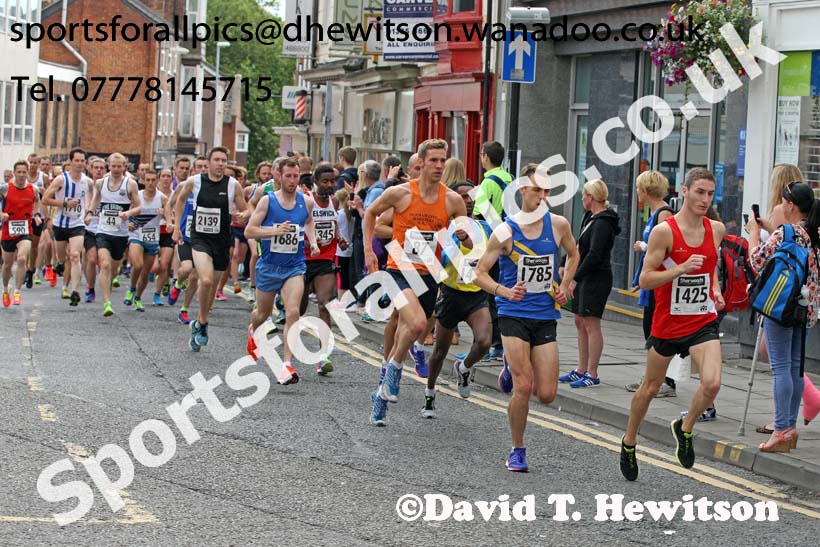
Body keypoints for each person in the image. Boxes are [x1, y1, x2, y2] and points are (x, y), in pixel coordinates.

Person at [620, 167, 726, 481]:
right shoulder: (664, 232)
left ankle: (685, 426)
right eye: (700, 192)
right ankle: (629, 441)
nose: (705, 199)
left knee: (712, 383)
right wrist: (680, 269)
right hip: (668, 323)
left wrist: (715, 288)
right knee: (651, 388)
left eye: (710, 194)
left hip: (702, 319)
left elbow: (711, 265)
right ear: (684, 191)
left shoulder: (716, 229)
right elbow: (645, 279)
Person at [473, 166, 579, 471]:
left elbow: (574, 254)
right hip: (513, 314)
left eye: (547, 191)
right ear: (522, 190)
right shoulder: (505, 232)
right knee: (523, 386)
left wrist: (566, 285)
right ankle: (517, 449)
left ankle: (510, 365)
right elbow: (479, 273)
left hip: (545, 315)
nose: (542, 196)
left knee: (546, 394)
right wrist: (504, 291)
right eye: (536, 190)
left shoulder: (558, 225)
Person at [363, 139, 466, 426]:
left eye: (442, 160)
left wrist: (464, 238)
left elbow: (464, 238)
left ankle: (382, 393)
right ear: (420, 163)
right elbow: (370, 214)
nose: (439, 165)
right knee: (418, 324)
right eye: (433, 160)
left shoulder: (452, 200)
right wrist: (369, 251)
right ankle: (394, 372)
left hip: (430, 272)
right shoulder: (401, 193)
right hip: (399, 268)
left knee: (410, 328)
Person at [748, 182, 820, 452]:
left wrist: (753, 233)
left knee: (780, 369)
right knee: (795, 368)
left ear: (790, 205)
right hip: (806, 309)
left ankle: (780, 429)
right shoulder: (815, 233)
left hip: (781, 307)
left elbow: (757, 261)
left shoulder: (787, 232)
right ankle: (789, 428)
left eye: (782, 202)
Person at [245, 158, 320, 383]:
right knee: (263, 314)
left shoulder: (306, 201)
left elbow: (309, 222)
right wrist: (273, 232)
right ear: (279, 176)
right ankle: (253, 329)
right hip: (268, 266)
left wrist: (313, 242)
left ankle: (286, 365)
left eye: (296, 176)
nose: (292, 180)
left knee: (293, 312)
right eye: (288, 176)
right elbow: (249, 231)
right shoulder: (267, 201)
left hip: (294, 266)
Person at [423, 180, 493, 417]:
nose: (468, 201)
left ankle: (464, 368)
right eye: (462, 197)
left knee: (484, 342)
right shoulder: (444, 230)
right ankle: (429, 394)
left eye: (471, 196)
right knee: (440, 351)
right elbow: (437, 262)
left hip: (476, 296)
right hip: (451, 295)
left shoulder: (485, 228)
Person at [172, 147, 248, 351]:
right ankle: (204, 323)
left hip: (221, 241)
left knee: (211, 289)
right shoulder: (195, 181)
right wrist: (177, 228)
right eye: (217, 160)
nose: (221, 163)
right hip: (200, 239)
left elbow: (245, 209)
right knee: (205, 280)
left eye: (224, 160)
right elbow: (180, 200)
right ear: (209, 162)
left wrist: (244, 215)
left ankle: (199, 322)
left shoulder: (233, 185)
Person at [559, 179, 621, 388]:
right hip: (585, 275)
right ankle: (581, 369)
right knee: (579, 320)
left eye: (584, 195)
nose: (582, 199)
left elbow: (594, 255)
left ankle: (592, 373)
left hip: (597, 278)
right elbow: (578, 245)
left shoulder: (603, 223)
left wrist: (574, 279)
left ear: (591, 197)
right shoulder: (590, 217)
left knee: (591, 323)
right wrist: (564, 262)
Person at [625, 171, 677, 397]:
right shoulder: (655, 213)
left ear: (645, 191)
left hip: (660, 285)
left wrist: (644, 247)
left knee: (657, 332)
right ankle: (654, 378)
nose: (637, 192)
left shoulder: (664, 213)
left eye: (639, 188)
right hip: (651, 283)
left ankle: (662, 381)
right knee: (650, 331)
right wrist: (640, 279)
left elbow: (667, 247)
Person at [85, 153, 141, 317]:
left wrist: (128, 213)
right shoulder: (101, 183)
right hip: (103, 231)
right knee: (104, 264)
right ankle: (107, 303)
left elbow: (139, 207)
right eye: (113, 166)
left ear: (124, 167)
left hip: (121, 234)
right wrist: (90, 213)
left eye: (119, 166)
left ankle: (109, 283)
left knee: (114, 268)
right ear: (109, 166)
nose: (116, 169)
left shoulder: (130, 184)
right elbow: (96, 200)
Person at [299, 164, 340, 374]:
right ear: (315, 182)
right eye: (325, 181)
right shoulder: (306, 201)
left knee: (326, 304)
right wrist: (307, 242)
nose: (330, 185)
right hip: (303, 260)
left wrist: (339, 238)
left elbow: (334, 222)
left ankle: (324, 356)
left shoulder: (335, 200)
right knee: (298, 309)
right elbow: (297, 226)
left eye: (332, 181)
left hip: (325, 260)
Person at [474, 141, 512, 362]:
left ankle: (495, 344)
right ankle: (505, 342)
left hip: (493, 244)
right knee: (506, 290)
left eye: (481, 154)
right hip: (511, 243)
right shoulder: (511, 179)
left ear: (486, 157)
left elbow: (479, 217)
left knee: (490, 294)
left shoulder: (487, 183)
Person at [41, 147, 92, 306]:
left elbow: (93, 196)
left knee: (75, 255)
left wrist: (89, 211)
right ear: (71, 161)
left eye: (82, 161)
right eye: (77, 160)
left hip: (78, 224)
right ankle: (59, 264)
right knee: (62, 257)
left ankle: (75, 291)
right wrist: (64, 203)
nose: (79, 164)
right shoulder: (61, 180)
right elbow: (45, 199)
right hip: (60, 223)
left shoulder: (87, 181)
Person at [123, 169, 167, 312]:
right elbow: (127, 212)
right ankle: (131, 289)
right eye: (147, 180)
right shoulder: (137, 196)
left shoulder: (162, 198)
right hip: (136, 234)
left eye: (153, 180)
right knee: (138, 265)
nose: (150, 183)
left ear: (157, 181)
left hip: (152, 238)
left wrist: (164, 215)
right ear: (143, 181)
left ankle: (137, 297)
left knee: (146, 272)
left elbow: (171, 218)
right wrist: (129, 223)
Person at [1, 160, 41, 307]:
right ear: (14, 173)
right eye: (19, 172)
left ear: (27, 173)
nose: (22, 175)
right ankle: (5, 289)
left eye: (24, 172)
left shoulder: (33, 189)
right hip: (8, 230)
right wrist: (1, 214)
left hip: (25, 229)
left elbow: (37, 201)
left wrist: (36, 214)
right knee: (7, 265)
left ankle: (17, 291)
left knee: (23, 258)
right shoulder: (5, 188)